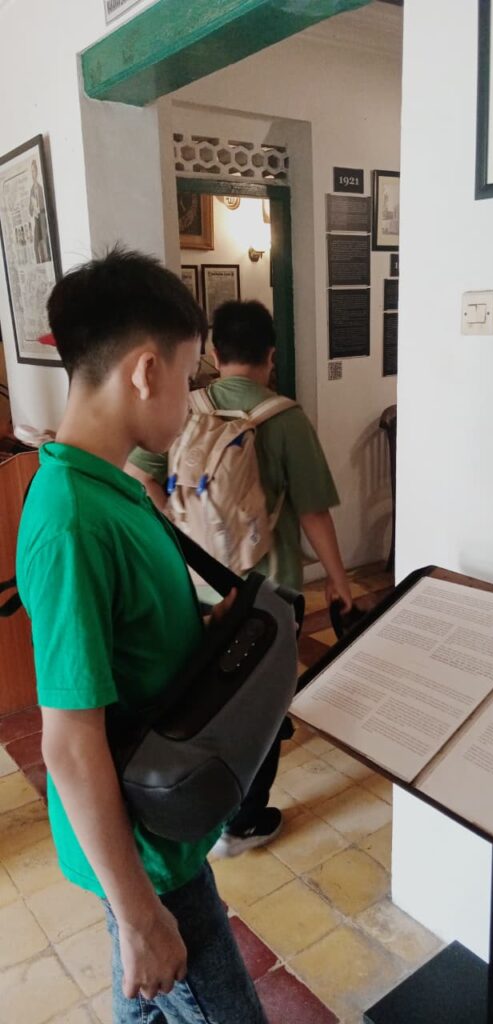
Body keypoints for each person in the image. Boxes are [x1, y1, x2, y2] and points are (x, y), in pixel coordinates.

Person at [16, 249, 268, 1024]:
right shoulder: (72, 520)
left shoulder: (112, 487)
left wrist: (200, 629)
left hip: (159, 834)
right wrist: (138, 915)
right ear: (146, 371)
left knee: (150, 1007)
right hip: (146, 854)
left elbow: (131, 639)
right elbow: (68, 742)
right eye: (190, 376)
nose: (191, 402)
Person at [127, 299, 352, 856]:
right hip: (266, 594)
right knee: (261, 703)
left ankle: (197, 801)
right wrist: (339, 579)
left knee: (205, 690)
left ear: (215, 352)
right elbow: (313, 512)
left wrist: (180, 524)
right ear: (271, 356)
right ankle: (244, 823)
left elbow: (140, 475)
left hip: (195, 585)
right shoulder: (285, 418)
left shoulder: (187, 407)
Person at [28, 158, 51, 263]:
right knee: (35, 245)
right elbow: (29, 209)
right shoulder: (31, 190)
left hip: (42, 219)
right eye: (31, 171)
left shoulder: (41, 188)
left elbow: (45, 206)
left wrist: (39, 209)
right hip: (37, 220)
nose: (33, 174)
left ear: (37, 172)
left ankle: (47, 262)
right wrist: (33, 210)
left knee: (45, 244)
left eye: (34, 171)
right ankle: (39, 264)